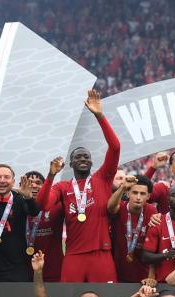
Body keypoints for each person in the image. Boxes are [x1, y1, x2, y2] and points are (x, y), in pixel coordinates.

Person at [35, 89, 120, 282]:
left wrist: (100, 116)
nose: (83, 159)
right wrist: (50, 176)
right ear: (71, 163)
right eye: (77, 157)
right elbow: (43, 204)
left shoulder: (103, 178)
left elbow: (115, 147)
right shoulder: (62, 187)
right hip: (73, 255)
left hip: (101, 254)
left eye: (86, 157)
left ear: (91, 162)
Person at [107, 175, 157, 284]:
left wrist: (151, 275)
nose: (138, 197)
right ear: (128, 193)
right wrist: (122, 188)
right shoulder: (119, 207)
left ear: (148, 196)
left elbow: (156, 246)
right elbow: (110, 208)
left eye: (142, 194)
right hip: (116, 273)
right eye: (135, 193)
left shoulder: (152, 212)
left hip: (143, 276)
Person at [24, 170, 64, 282]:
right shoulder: (17, 206)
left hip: (53, 270)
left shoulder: (57, 206)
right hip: (23, 272)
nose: (33, 185)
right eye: (29, 182)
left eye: (38, 182)